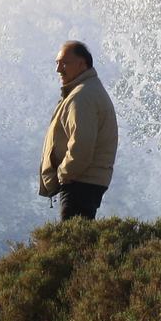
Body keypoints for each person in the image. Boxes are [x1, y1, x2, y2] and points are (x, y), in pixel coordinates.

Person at [39, 40, 118, 221]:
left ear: (82, 63)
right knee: (78, 239)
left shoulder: (82, 96)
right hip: (83, 181)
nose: (58, 69)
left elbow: (81, 146)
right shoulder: (85, 91)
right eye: (57, 63)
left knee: (73, 242)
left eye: (64, 63)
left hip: (81, 182)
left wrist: (63, 175)